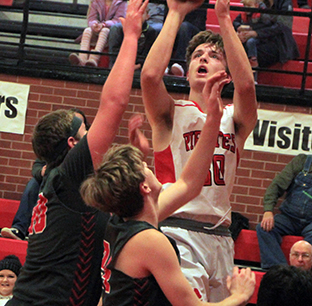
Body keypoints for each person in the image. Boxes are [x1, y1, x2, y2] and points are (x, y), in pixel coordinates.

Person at [6, 0, 149, 306]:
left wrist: (138, 156)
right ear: (73, 144)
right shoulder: (69, 174)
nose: (94, 136)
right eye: (85, 131)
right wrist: (131, 36)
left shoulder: (68, 183)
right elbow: (114, 102)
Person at [80, 73, 256, 306]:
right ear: (144, 187)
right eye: (144, 167)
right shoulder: (150, 241)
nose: (148, 165)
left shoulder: (121, 223)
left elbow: (190, 183)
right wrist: (240, 296)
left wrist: (214, 116)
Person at [140, 0, 257, 302]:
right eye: (197, 56)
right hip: (176, 230)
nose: (203, 59)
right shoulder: (169, 114)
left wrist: (223, 17)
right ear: (188, 70)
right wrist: (175, 12)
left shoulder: (233, 119)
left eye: (213, 55)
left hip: (221, 237)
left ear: (227, 70)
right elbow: (149, 77)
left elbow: (247, 85)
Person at [0, 108, 91, 241]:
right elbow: (36, 168)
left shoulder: (57, 165)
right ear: (71, 141)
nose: (89, 134)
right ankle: (20, 227)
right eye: (83, 130)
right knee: (33, 183)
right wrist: (42, 172)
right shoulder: (65, 174)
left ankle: (21, 228)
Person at [256, 154, 312, 270]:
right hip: (289, 218)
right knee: (264, 229)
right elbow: (276, 186)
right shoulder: (301, 162)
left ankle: (304, 272)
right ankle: (279, 271)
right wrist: (268, 211)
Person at [232, 0, 299, 73]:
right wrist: (239, 27)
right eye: (244, 5)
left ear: (256, 5)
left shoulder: (264, 13)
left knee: (249, 45)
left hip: (269, 42)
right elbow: (235, 22)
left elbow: (274, 27)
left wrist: (253, 31)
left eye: (248, 5)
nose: (246, 8)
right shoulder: (245, 13)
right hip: (252, 39)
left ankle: (252, 66)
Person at [69, 0, 127, 67]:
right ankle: (82, 59)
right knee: (87, 30)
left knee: (104, 30)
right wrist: (94, 24)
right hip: (97, 28)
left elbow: (119, 20)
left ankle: (93, 59)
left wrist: (104, 24)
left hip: (112, 31)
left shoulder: (122, 1)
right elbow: (91, 18)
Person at [108, 5, 157, 69]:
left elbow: (148, 55)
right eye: (135, 12)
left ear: (147, 16)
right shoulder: (118, 29)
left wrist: (138, 66)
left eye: (141, 13)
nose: (137, 15)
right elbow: (113, 52)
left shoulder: (151, 32)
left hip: (139, 67)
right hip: (119, 66)